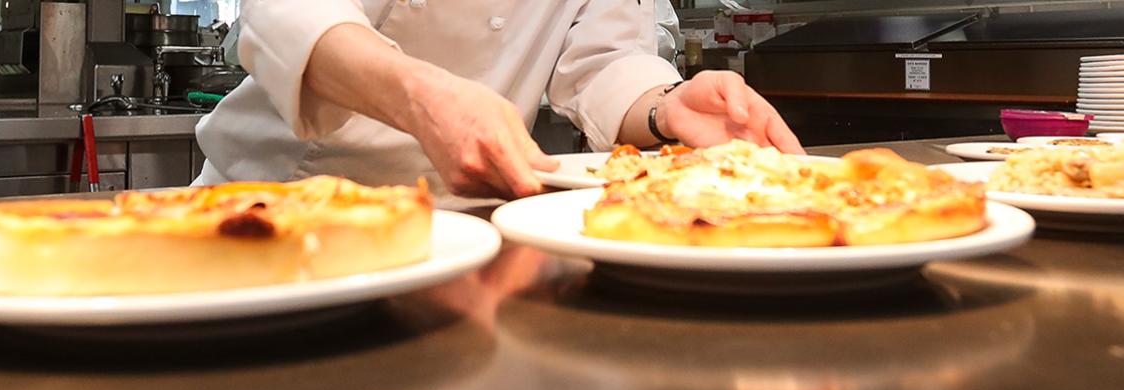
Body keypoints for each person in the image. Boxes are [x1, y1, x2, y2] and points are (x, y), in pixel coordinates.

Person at [194, 0, 804, 199]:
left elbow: (604, 59)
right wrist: (418, 94)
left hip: (467, 221)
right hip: (276, 201)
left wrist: (666, 105)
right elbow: (286, 14)